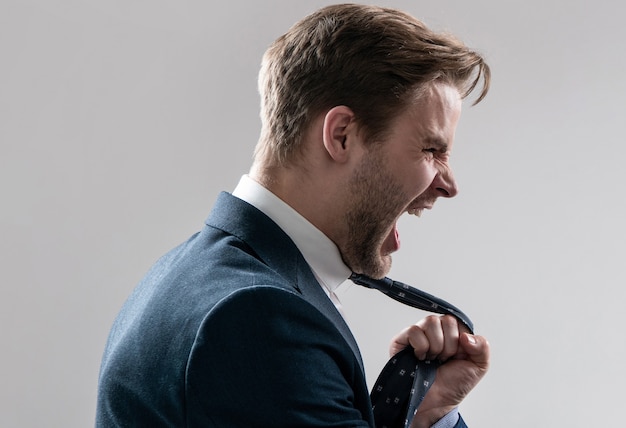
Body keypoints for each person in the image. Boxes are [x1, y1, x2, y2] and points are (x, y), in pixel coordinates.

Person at [96, 4, 491, 427]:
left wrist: (423, 413)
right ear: (341, 136)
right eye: (432, 150)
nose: (448, 185)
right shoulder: (259, 318)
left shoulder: (189, 273)